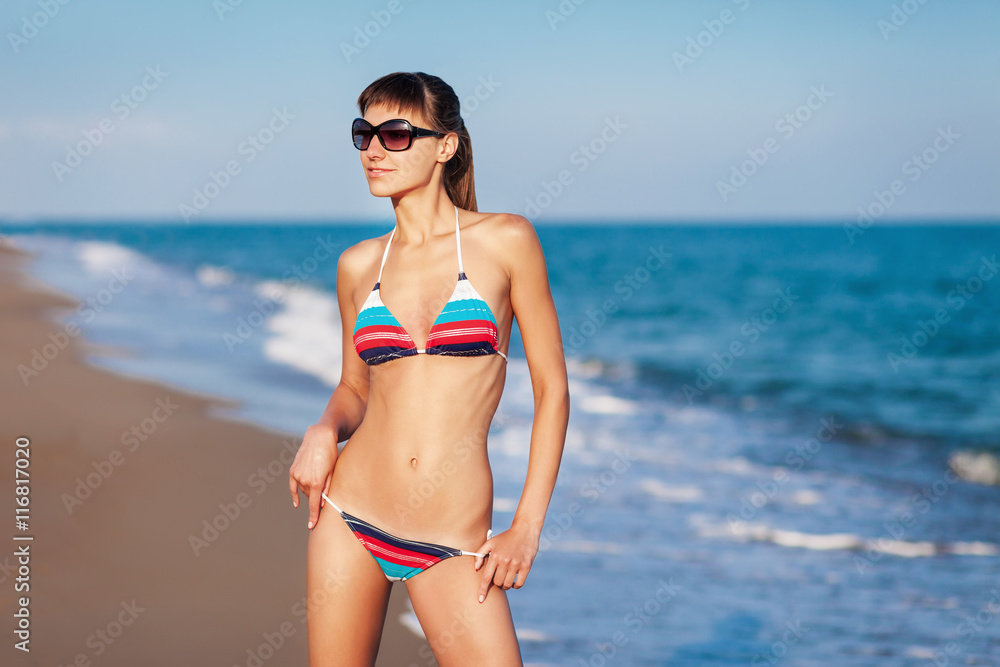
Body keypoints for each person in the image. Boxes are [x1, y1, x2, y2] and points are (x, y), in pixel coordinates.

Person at [288, 71, 570, 667]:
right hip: (349, 513)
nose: (373, 150)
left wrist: (526, 527)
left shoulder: (506, 240)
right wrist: (323, 429)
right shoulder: (357, 265)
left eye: (395, 134)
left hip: (451, 537)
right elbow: (353, 388)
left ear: (446, 145)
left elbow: (552, 390)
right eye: (365, 134)